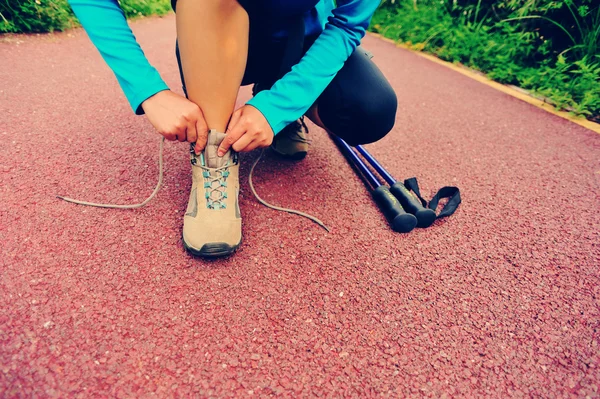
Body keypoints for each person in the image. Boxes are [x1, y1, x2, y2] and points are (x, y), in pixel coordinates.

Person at [68, 0, 397, 257]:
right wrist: (148, 90)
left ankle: (274, 96)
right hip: (212, 32)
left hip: (302, 44)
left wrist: (277, 109)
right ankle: (214, 156)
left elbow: (347, 23)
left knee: (370, 110)